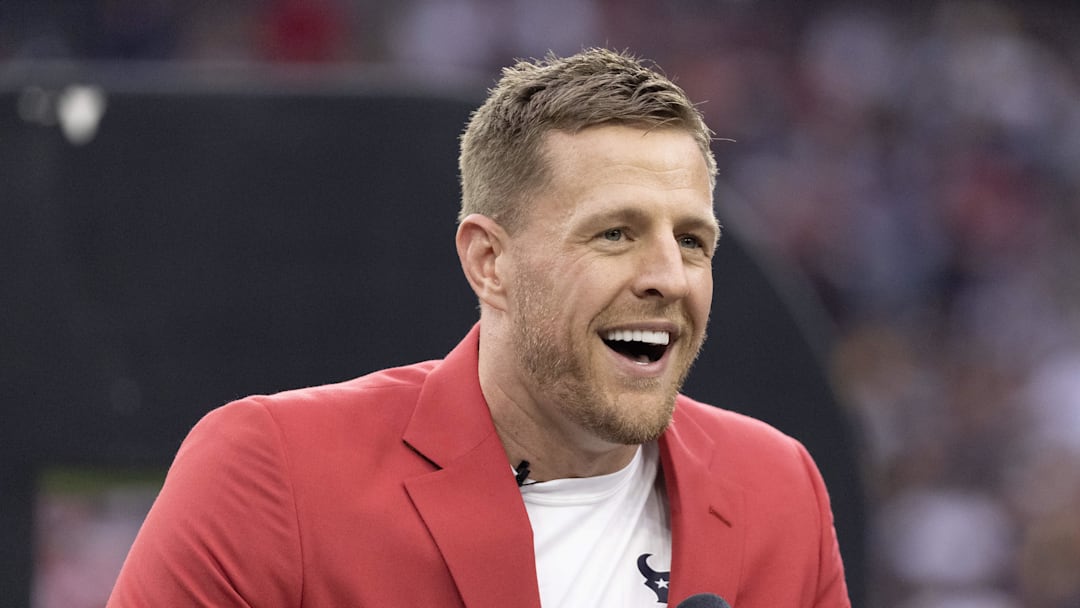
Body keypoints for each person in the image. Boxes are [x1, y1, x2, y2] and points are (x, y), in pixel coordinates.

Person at [107, 48, 850, 607]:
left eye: (692, 240)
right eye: (616, 234)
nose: (668, 276)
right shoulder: (272, 474)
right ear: (490, 262)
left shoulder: (779, 492)